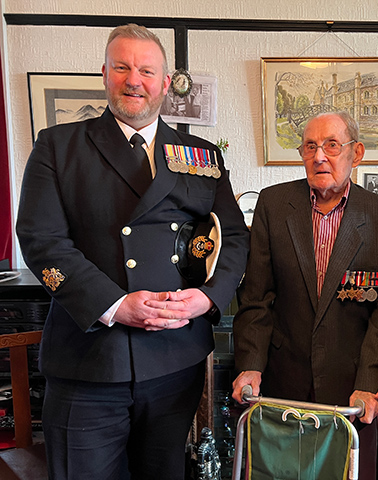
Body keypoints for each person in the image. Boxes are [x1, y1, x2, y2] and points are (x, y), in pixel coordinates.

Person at [16, 24, 250, 479]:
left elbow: (234, 238)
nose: (133, 80)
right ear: (104, 74)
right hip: (88, 360)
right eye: (122, 67)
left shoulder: (201, 155)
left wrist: (207, 298)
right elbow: (41, 242)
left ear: (165, 83)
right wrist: (116, 304)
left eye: (146, 70)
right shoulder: (58, 146)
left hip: (174, 357)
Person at [231, 111, 378, 479]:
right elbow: (257, 295)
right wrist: (251, 363)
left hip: (353, 394)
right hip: (282, 384)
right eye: (310, 146)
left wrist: (367, 382)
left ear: (356, 152)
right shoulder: (273, 204)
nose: (319, 156)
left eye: (331, 145)